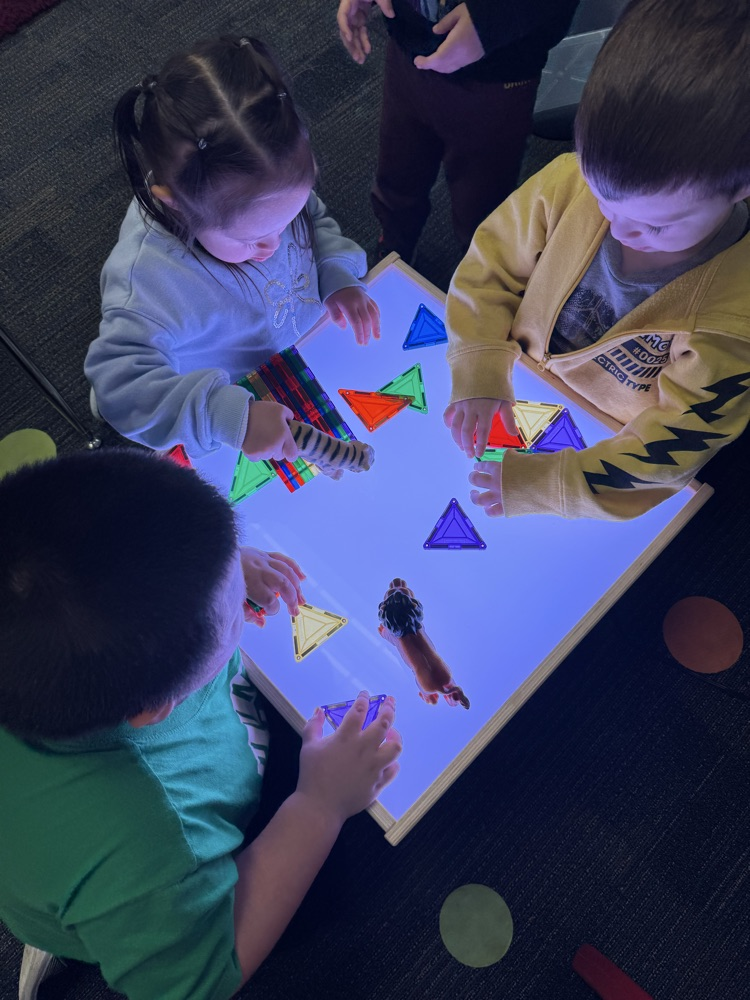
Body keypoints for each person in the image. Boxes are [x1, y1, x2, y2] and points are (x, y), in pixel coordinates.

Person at [0, 448, 401, 1000]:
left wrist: (220, 577)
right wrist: (319, 806)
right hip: (162, 901)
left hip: (92, 863)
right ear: (152, 710)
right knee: (343, 879)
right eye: (234, 610)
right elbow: (206, 981)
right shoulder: (150, 842)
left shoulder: (40, 628)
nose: (240, 577)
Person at [443, 0, 750, 521]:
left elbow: (673, 449)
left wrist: (554, 485)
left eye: (655, 226)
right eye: (603, 200)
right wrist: (478, 362)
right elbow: (489, 265)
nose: (619, 229)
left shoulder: (734, 320)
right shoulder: (569, 180)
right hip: (519, 383)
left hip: (605, 444)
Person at [85, 35, 380, 461]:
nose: (274, 244)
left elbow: (315, 221)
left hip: (290, 361)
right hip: (216, 412)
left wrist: (337, 274)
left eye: (286, 219)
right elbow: (119, 389)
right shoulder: (147, 280)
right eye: (249, 240)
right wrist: (226, 417)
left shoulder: (265, 190)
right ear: (176, 204)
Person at [336, 0, 579, 263]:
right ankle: (394, 245)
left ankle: (476, 269)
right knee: (398, 170)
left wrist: (491, 19)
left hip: (498, 74)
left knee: (480, 206)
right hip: (410, 45)